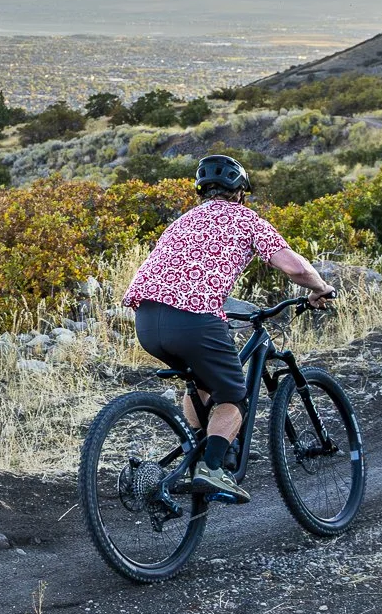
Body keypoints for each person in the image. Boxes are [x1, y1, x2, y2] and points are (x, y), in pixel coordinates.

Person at [122, 154, 335, 503]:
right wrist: (319, 288)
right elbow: (293, 266)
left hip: (146, 321)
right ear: (240, 193)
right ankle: (213, 468)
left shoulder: (180, 222)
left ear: (202, 191)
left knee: (202, 384)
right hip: (192, 318)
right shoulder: (245, 219)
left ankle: (196, 451)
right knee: (235, 393)